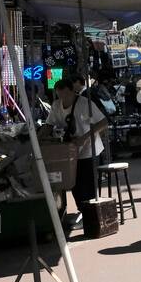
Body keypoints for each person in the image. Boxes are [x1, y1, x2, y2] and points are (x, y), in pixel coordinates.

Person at [47, 77, 109, 227]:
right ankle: (83, 211)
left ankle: (91, 216)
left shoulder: (84, 103)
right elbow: (49, 124)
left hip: (89, 150)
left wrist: (85, 138)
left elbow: (103, 122)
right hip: (69, 152)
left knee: (87, 184)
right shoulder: (56, 105)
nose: (63, 98)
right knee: (74, 184)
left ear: (72, 91)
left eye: (66, 94)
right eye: (60, 95)